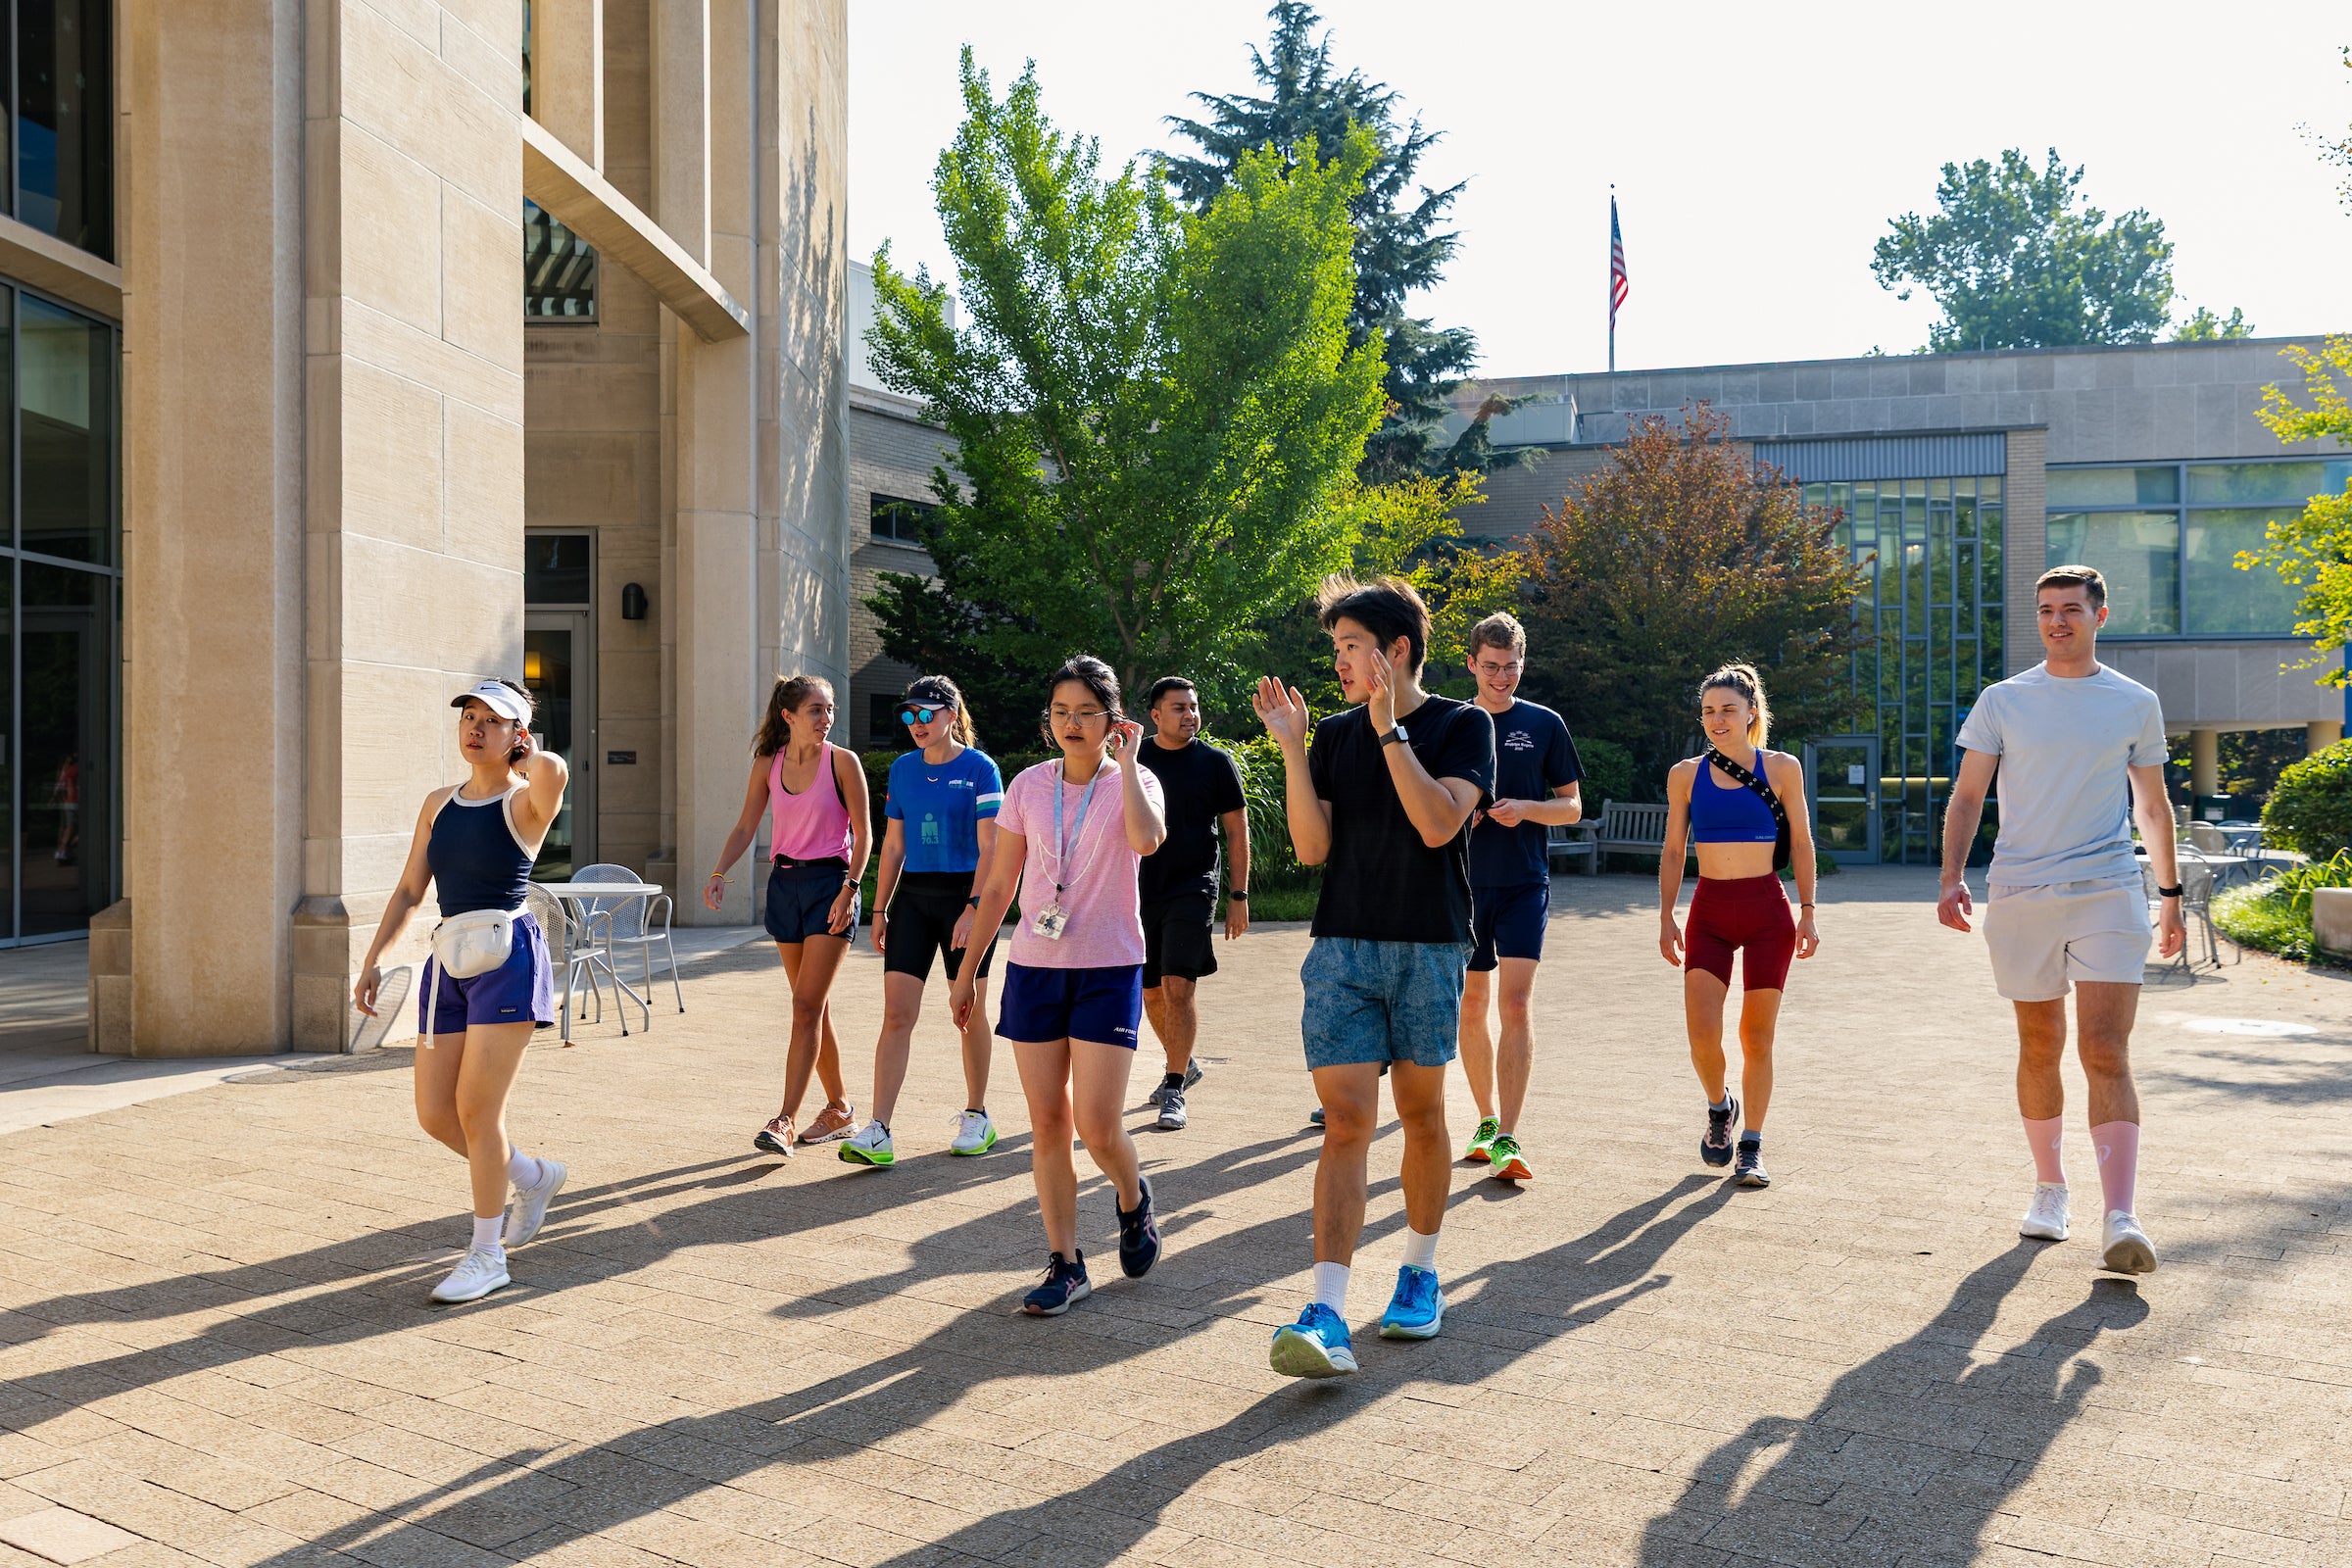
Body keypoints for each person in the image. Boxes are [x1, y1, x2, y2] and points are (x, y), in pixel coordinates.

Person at [1253, 576, 1494, 1378]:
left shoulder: (1462, 728)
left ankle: (1420, 1274)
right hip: (1343, 949)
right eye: (1334, 649)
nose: (1339, 664)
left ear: (1396, 651)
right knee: (1347, 1120)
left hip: (1427, 945)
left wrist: (1392, 731)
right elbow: (1314, 848)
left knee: (1421, 1118)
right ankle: (1326, 1309)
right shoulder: (1332, 734)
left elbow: (1435, 824)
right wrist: (1293, 746)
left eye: (1351, 647)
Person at [1938, 564, 2182, 1275]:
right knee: (2040, 1042)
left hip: (2108, 887)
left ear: (2100, 616)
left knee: (2106, 1048)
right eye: (2046, 611)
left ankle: (2121, 1216)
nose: (2057, 622)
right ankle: (2050, 1189)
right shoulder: (2004, 701)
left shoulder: (2134, 702)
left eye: (2071, 609)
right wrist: (1953, 878)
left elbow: (2154, 808)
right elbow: (1967, 797)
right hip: (2021, 892)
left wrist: (2167, 896)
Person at [954, 656, 1168, 1315]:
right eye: (1060, 711)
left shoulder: (1138, 780)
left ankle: (1133, 1199)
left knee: (1098, 1126)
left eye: (1086, 712)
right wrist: (968, 973)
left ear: (1112, 721)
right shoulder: (1026, 786)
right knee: (1049, 1123)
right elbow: (999, 887)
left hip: (1108, 967)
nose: (1072, 723)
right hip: (1036, 968)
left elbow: (1149, 840)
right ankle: (1066, 1263)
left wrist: (1129, 766)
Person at [355, 680, 570, 1305]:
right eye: (469, 717)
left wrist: (525, 757)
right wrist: (373, 959)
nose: (474, 727)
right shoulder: (437, 804)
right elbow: (408, 890)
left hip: (508, 958)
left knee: (479, 1111)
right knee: (435, 1114)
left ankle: (487, 1254)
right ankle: (533, 1176)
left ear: (516, 735)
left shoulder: (527, 802)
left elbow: (555, 771)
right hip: (447, 961)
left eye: (492, 721)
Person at [1657, 663, 1820, 1190]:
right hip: (1709, 911)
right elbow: (1673, 850)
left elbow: (1800, 843)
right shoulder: (1685, 774)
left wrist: (1809, 910)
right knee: (1702, 1035)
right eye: (1708, 711)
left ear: (1752, 712)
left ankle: (1751, 1146)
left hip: (1767, 911)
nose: (1717, 719)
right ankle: (1718, 1106)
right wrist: (1666, 915)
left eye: (1728, 709)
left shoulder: (1782, 769)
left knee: (1756, 1036)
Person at [838, 676, 1006, 1165]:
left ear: (952, 715)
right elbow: (893, 845)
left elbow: (990, 846)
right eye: (908, 715)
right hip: (913, 897)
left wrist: (974, 907)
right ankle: (880, 1130)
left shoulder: (981, 768)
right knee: (896, 1016)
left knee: (966, 1010)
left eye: (926, 714)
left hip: (964, 898)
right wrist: (878, 908)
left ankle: (977, 1116)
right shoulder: (902, 769)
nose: (915, 724)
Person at [704, 674, 870, 1155]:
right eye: (816, 710)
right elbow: (745, 826)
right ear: (789, 716)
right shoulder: (767, 764)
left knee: (805, 1006)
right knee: (812, 1005)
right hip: (785, 886)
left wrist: (850, 889)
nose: (826, 718)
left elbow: (864, 833)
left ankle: (785, 1121)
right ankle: (839, 1109)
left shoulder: (843, 762)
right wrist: (719, 871)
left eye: (830, 709)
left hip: (831, 887)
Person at [1456, 612, 1583, 1183]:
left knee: (1515, 1005)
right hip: (1461, 885)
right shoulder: (1451, 724)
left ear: (1522, 664)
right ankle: (1484, 1121)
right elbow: (1425, 804)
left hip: (1525, 882)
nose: (1501, 677)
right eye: (1491, 667)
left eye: (1510, 667)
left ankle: (1509, 1134)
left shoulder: (1546, 724)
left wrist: (1525, 809)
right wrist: (1465, 818)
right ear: (1471, 664)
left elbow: (1572, 806)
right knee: (1472, 1005)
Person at [1133, 676, 1250, 1133]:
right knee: (1150, 993)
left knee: (1178, 986)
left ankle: (1174, 1086)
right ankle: (1185, 1062)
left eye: (1194, 706)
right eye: (1179, 707)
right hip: (1140, 889)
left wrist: (1237, 897)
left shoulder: (1214, 763)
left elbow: (1237, 833)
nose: (1190, 715)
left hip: (1193, 887)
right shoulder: (1135, 759)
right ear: (1156, 715)